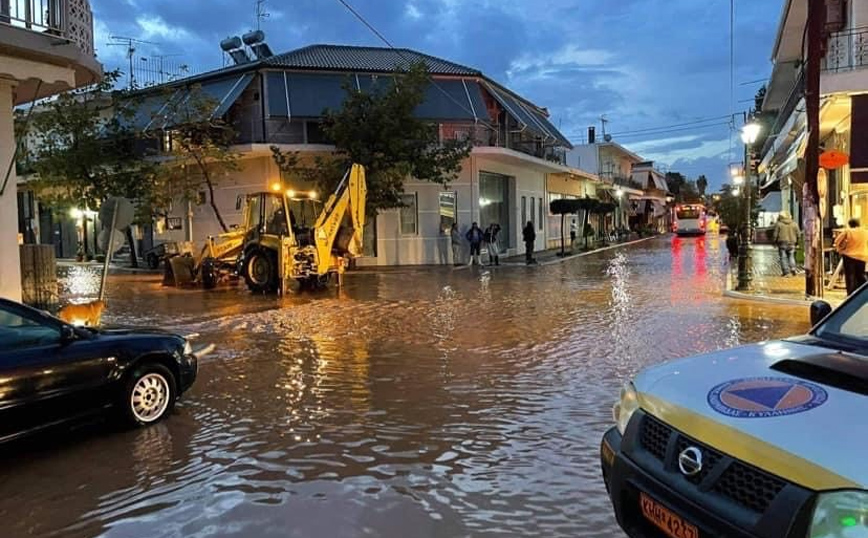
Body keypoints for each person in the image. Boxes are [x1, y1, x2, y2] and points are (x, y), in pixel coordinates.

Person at [834, 218, 868, 295]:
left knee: (850, 276)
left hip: (849, 256)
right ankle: (863, 293)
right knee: (860, 275)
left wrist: (839, 249)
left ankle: (851, 294)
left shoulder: (848, 231)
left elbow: (837, 241)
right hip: (862, 256)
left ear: (850, 224)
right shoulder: (865, 232)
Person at [772, 211, 800, 277]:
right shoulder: (794, 224)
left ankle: (786, 272)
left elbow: (775, 235)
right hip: (792, 243)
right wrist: (797, 243)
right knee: (791, 256)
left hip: (782, 243)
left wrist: (774, 242)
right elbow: (798, 234)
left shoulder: (778, 224)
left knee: (783, 258)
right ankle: (793, 268)